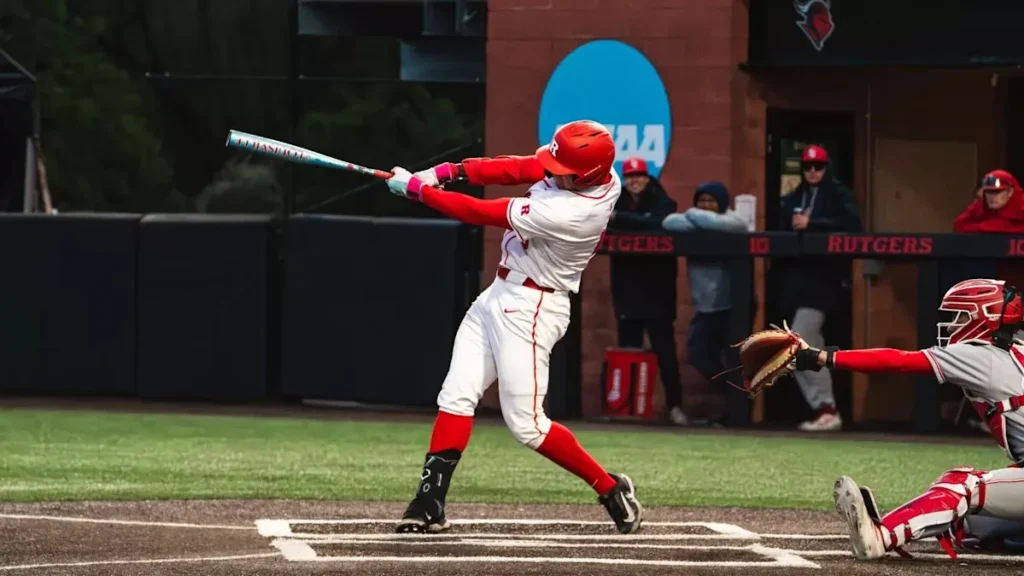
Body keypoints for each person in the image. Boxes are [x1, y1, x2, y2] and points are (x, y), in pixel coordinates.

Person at [383, 120, 642, 535]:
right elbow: (518, 168)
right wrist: (449, 172)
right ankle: (429, 502)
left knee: (527, 425)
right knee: (456, 395)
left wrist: (419, 192)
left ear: (586, 174)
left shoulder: (573, 212)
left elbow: (479, 212)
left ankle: (610, 488)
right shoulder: (588, 171)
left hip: (533, 308)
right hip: (499, 294)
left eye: (562, 168)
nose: (552, 170)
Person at [786, 278, 1024, 560]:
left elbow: (897, 361)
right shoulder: (1015, 349)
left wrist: (822, 357)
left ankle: (881, 536)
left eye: (960, 316)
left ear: (984, 318)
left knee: (960, 486)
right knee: (966, 523)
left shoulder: (977, 354)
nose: (950, 326)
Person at [776, 144, 861, 432]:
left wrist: (813, 223)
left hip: (825, 280)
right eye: (808, 167)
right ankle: (824, 409)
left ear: (827, 168)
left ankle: (827, 408)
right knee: (802, 344)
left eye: (818, 167)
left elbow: (853, 225)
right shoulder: (793, 197)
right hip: (796, 280)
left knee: (801, 341)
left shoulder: (839, 195)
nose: (813, 172)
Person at [607, 157, 686, 425]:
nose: (635, 181)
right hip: (627, 290)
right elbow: (608, 221)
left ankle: (675, 407)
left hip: (658, 292)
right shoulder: (614, 200)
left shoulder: (662, 200)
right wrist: (638, 220)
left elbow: (663, 220)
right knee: (629, 349)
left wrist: (624, 220)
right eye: (630, 177)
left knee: (665, 353)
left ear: (648, 177)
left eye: (639, 176)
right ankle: (628, 409)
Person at [663, 181, 748, 423]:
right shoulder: (693, 220)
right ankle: (732, 397)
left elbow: (739, 225)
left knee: (735, 361)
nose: (705, 206)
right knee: (698, 355)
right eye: (701, 201)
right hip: (705, 307)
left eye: (711, 201)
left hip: (732, 307)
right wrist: (697, 215)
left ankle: (736, 412)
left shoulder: (731, 221)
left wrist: (697, 218)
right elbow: (669, 222)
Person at [954, 170, 1024, 234]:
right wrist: (986, 226)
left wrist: (996, 226)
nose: (992, 197)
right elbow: (959, 225)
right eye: (988, 192)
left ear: (1010, 192)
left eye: (997, 192)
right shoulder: (981, 205)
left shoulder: (1021, 203)